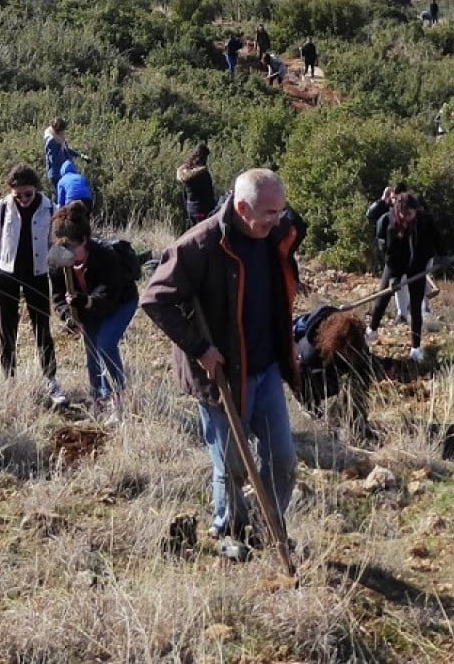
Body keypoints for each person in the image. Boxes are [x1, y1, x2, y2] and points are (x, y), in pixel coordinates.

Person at [141, 169, 303, 561]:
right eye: (269, 212)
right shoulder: (200, 245)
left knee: (282, 459)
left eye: (280, 210)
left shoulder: (274, 236)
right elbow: (155, 299)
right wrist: (200, 349)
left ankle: (268, 525)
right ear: (242, 207)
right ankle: (227, 528)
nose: (277, 219)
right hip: (222, 375)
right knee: (231, 464)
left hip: (265, 368)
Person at [48, 201, 139, 423]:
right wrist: (68, 315)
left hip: (120, 303)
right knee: (91, 352)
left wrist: (87, 301)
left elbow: (109, 294)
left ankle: (119, 401)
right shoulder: (57, 261)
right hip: (86, 308)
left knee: (105, 344)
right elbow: (58, 296)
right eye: (63, 248)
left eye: (72, 248)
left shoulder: (105, 255)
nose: (67, 254)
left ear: (85, 241)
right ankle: (99, 403)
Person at [0, 164, 63, 404]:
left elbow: (56, 246)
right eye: (18, 195)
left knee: (42, 328)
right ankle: (9, 380)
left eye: (28, 194)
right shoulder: (1, 209)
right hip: (6, 275)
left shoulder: (51, 209)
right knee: (7, 330)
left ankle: (51, 380)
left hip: (37, 275)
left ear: (36, 189)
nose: (24, 199)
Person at [365, 194, 442, 363]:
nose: (406, 218)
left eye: (410, 214)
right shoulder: (388, 221)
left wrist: (443, 257)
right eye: (403, 214)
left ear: (415, 211)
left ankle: (415, 348)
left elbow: (437, 239)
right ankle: (372, 330)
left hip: (417, 265)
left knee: (415, 305)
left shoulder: (425, 221)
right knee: (383, 297)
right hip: (395, 263)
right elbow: (388, 252)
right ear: (398, 210)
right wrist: (394, 278)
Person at [177, 143, 217, 226]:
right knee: (203, 234)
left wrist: (187, 208)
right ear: (204, 157)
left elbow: (184, 194)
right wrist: (213, 208)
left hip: (190, 208)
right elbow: (209, 193)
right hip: (202, 209)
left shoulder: (186, 173)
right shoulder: (203, 174)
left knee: (193, 232)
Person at [42, 117, 83, 192]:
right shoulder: (52, 141)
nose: (64, 131)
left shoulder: (59, 138)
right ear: (59, 130)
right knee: (61, 196)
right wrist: (60, 147)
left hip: (64, 172)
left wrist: (80, 155)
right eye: (63, 130)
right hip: (57, 174)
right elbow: (54, 160)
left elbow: (66, 149)